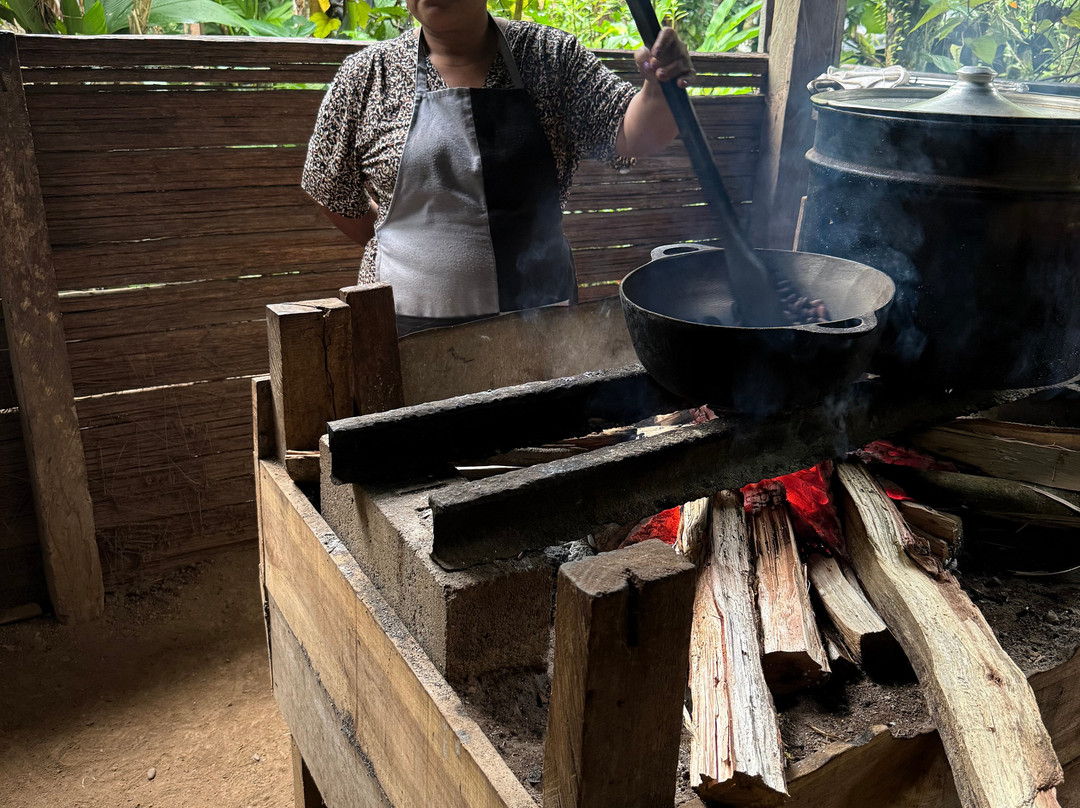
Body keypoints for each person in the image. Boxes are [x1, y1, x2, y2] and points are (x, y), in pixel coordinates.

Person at [302, 0, 694, 335]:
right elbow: (328, 187)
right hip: (400, 326)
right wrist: (396, 240)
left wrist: (660, 91)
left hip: (541, 323)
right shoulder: (367, 75)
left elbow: (633, 134)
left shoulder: (549, 56)